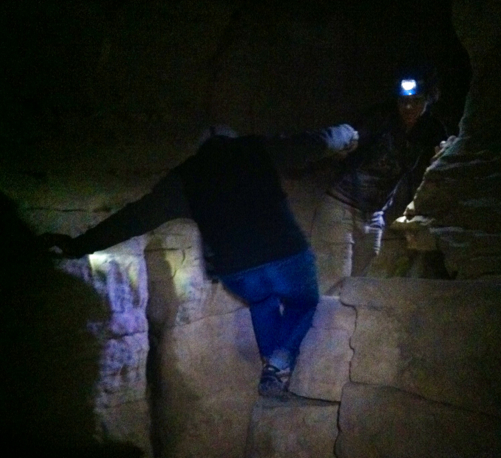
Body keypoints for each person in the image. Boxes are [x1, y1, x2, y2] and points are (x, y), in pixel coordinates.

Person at [41, 123, 359, 398]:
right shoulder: (253, 148)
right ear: (230, 138)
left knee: (262, 301)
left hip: (237, 271)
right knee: (303, 302)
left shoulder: (186, 175)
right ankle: (279, 361)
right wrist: (347, 133)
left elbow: (135, 217)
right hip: (284, 253)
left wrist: (77, 245)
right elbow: (312, 143)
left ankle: (272, 372)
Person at [310, 67, 447, 290]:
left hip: (374, 215)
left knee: (359, 283)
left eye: (416, 101)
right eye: (403, 101)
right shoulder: (380, 119)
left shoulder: (430, 129)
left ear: (428, 100)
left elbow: (445, 154)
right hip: (341, 208)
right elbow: (355, 136)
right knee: (334, 281)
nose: (408, 107)